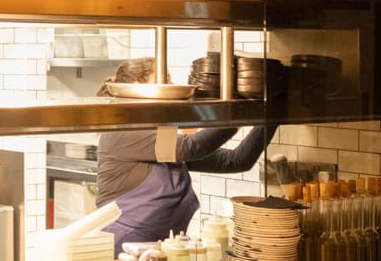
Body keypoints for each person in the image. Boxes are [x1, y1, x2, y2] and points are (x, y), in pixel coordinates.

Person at [94, 57, 276, 253]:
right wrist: (237, 108)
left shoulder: (159, 138)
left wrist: (272, 116)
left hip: (161, 249)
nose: (172, 86)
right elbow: (194, 146)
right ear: (137, 88)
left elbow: (236, 161)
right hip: (125, 248)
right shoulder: (123, 132)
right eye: (166, 80)